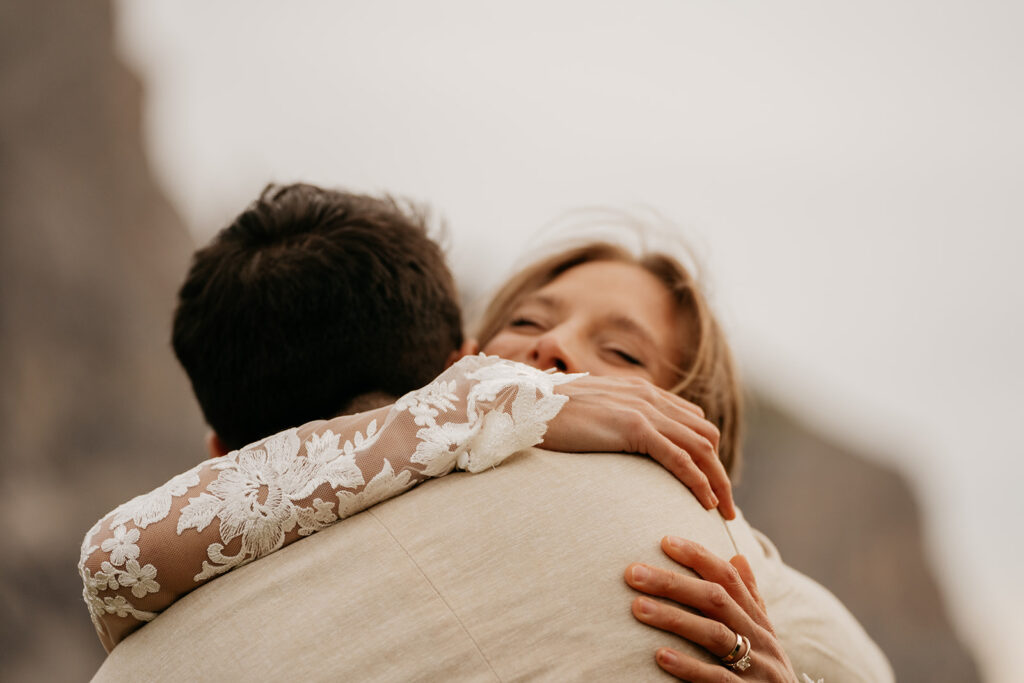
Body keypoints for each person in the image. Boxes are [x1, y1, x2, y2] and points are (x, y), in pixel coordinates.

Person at [82, 184, 892, 681]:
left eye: (621, 351)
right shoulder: (444, 431)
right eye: (528, 320)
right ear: (462, 359)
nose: (552, 348)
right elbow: (122, 560)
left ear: (690, 428)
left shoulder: (733, 565)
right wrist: (488, 406)